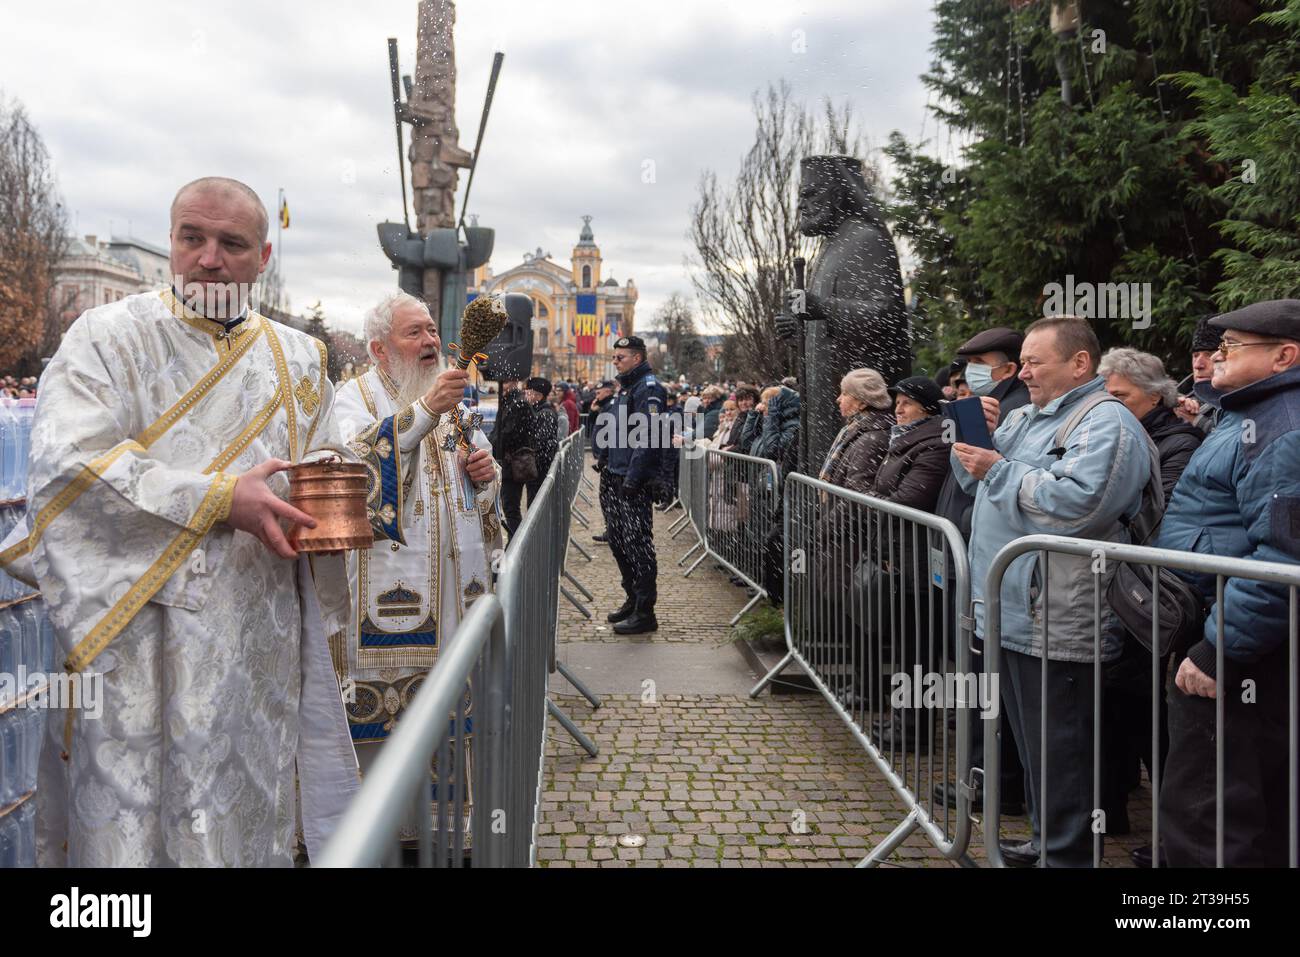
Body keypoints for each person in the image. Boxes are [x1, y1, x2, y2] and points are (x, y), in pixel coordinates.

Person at [0, 176, 423, 866]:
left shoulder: (299, 358)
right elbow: (65, 469)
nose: (208, 257)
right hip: (131, 640)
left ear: (262, 256)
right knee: (130, 832)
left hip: (257, 635)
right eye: (191, 237)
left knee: (244, 819)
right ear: (171, 241)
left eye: (230, 243)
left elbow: (320, 463)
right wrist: (222, 499)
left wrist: (339, 491)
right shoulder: (105, 339)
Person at [951, 315, 1151, 868]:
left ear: (1080, 363)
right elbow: (972, 479)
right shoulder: (1024, 417)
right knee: (1035, 744)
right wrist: (975, 437)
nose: (1026, 372)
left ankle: (1065, 855)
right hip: (1010, 610)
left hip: (1058, 616)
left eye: (1037, 362)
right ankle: (1046, 840)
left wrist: (999, 469)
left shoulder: (1104, 422)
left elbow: (1079, 505)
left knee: (1062, 748)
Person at [332, 292, 500, 838]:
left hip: (452, 599)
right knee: (383, 726)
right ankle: (373, 835)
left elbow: (476, 498)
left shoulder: (451, 401)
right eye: (415, 333)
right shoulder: (351, 399)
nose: (430, 341)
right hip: (381, 601)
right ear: (379, 348)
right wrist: (423, 413)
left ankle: (442, 833)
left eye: (432, 330)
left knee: (445, 714)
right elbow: (354, 471)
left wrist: (485, 473)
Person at [1154, 300, 1300, 868]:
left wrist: (1220, 649)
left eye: (1233, 346)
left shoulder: (1282, 428)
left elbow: (1284, 557)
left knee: (1209, 815)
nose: (1216, 354)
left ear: (1284, 355)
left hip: (1239, 653)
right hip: (1230, 635)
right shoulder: (1252, 414)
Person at [1097, 347, 1204, 841]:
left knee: (1142, 708)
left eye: (1120, 395)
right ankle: (1111, 808)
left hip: (1147, 589)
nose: (1109, 403)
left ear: (1155, 395)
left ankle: (1171, 831)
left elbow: (1157, 513)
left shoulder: (1176, 440)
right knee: (1118, 700)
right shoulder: (1128, 429)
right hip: (1122, 583)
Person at [933, 326, 1032, 815]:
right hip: (978, 558)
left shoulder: (1015, 411)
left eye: (979, 363)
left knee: (992, 684)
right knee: (980, 677)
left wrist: (984, 436)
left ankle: (994, 782)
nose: (967, 374)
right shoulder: (985, 407)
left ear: (1009, 368)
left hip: (1002, 572)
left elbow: (992, 484)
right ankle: (985, 776)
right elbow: (965, 478)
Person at [867, 376, 951, 750]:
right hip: (898, 553)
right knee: (904, 646)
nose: (898, 409)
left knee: (916, 649)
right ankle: (903, 723)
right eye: (896, 402)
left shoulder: (933, 445)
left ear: (929, 410)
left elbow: (906, 499)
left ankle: (914, 730)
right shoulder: (902, 440)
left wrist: (873, 498)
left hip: (916, 560)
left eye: (907, 404)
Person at [594, 336, 668, 634]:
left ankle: (645, 610)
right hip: (614, 475)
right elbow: (616, 428)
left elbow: (650, 436)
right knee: (617, 538)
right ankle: (632, 597)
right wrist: (604, 457)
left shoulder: (648, 389)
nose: (615, 361)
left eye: (620, 357)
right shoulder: (625, 388)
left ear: (637, 358)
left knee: (638, 544)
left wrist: (635, 478)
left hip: (631, 480)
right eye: (615, 357)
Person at [1174, 316, 1223, 433]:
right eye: (1195, 355)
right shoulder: (1173, 401)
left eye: (1209, 354)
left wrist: (1197, 421)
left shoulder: (1244, 405)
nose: (1198, 365)